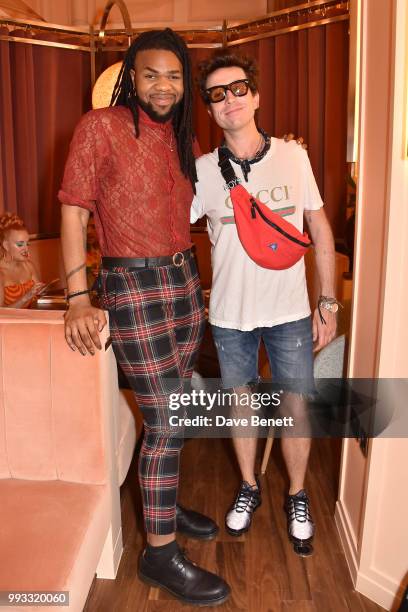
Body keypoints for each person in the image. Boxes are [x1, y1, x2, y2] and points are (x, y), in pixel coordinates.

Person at [58, 29, 230, 607]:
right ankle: (159, 555)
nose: (164, 85)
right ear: (132, 75)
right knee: (165, 420)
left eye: (175, 75)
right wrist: (79, 297)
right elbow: (75, 213)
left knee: (176, 410)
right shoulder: (98, 127)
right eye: (151, 73)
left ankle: (166, 498)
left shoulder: (182, 136)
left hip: (184, 281)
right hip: (131, 286)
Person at [192, 52, 338, 556]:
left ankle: (297, 495)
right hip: (229, 315)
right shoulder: (202, 171)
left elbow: (318, 227)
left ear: (255, 95)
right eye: (216, 94)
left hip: (290, 311)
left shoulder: (294, 157)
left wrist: (328, 303)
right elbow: (166, 226)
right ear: (209, 109)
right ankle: (250, 486)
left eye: (237, 89)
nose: (228, 99)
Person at [0, 213, 45, 308]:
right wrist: (26, 297)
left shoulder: (28, 266)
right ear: (6, 245)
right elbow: (2, 313)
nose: (26, 249)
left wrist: (42, 291)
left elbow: (39, 299)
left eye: (27, 244)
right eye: (20, 244)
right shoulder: (1, 273)